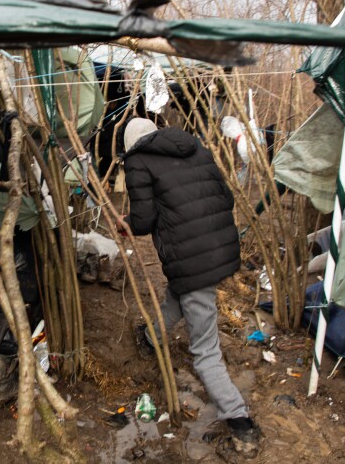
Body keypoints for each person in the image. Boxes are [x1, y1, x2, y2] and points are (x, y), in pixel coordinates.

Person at [120, 117, 260, 457]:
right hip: (219, 250)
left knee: (205, 352)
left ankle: (241, 424)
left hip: (192, 260)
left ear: (131, 144)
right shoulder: (196, 147)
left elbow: (142, 221)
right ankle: (152, 338)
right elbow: (224, 198)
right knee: (179, 297)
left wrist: (126, 224)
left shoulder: (138, 160)